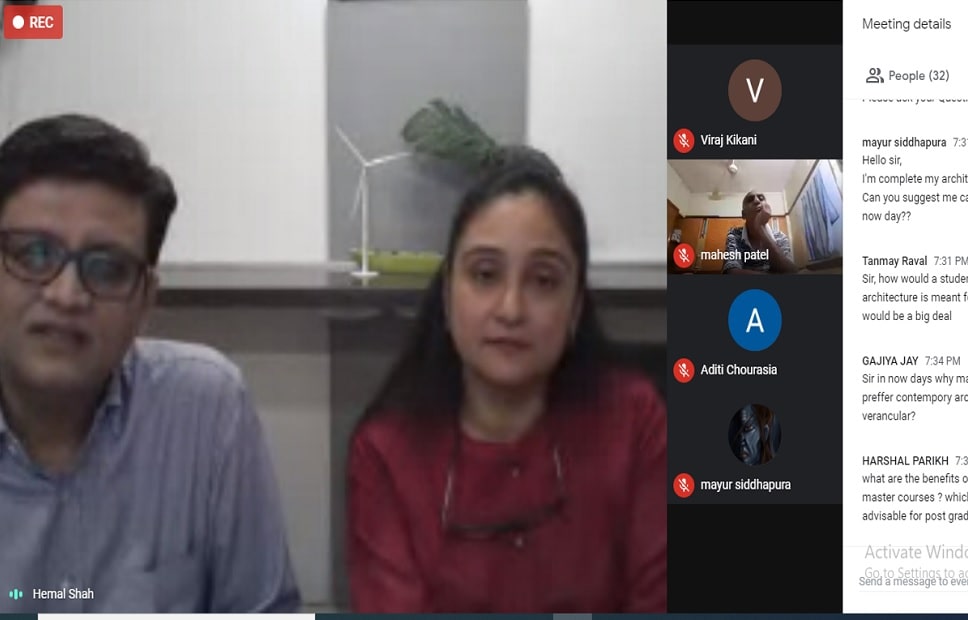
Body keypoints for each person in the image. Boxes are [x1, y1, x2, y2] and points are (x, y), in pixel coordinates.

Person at [0, 114, 299, 613]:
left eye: (107, 268)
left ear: (144, 301)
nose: (66, 295)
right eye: (33, 255)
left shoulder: (204, 407)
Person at [347, 150, 667, 613]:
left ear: (576, 308)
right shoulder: (385, 452)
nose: (511, 309)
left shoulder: (635, 422)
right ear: (447, 295)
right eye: (485, 275)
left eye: (544, 281)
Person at [722, 191, 798, 274]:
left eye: (761, 198)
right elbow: (731, 272)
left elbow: (790, 272)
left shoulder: (780, 236)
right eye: (750, 199)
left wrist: (760, 228)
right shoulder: (735, 234)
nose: (757, 201)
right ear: (743, 214)